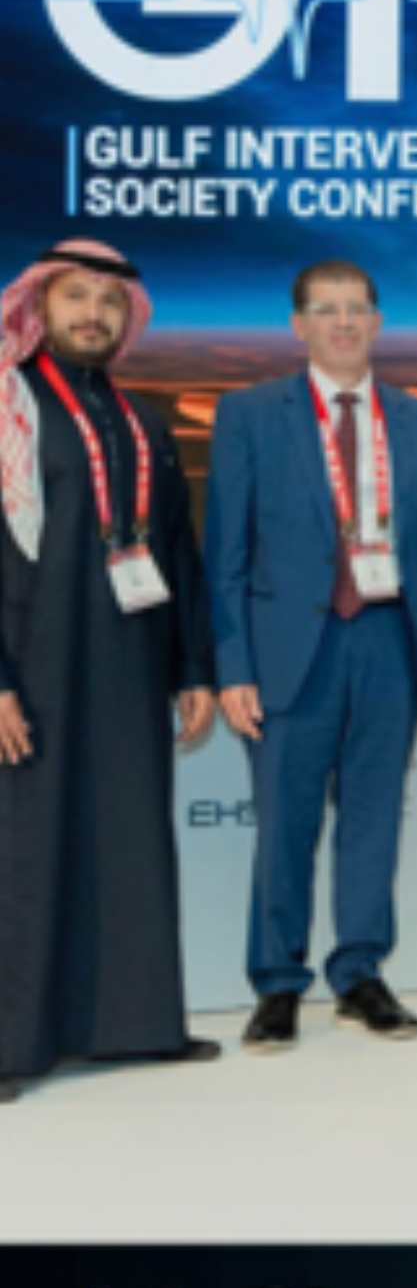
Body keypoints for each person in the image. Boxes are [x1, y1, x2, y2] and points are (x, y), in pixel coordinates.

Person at [205, 262, 417, 1052]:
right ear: (299, 324)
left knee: (373, 822)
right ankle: (278, 984)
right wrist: (233, 665)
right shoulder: (250, 414)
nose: (344, 322)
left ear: (379, 321)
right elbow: (227, 552)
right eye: (327, 310)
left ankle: (358, 973)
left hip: (391, 642)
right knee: (284, 825)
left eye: (358, 309)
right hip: (290, 651)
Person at [0, 241, 218, 1104]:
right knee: (25, 851)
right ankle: (14, 1041)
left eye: (109, 301)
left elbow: (174, 552)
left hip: (128, 671)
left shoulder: (144, 420)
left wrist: (193, 664)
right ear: (40, 307)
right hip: (35, 670)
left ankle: (136, 1023)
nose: (93, 312)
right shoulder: (9, 410)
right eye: (76, 297)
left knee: (131, 842)